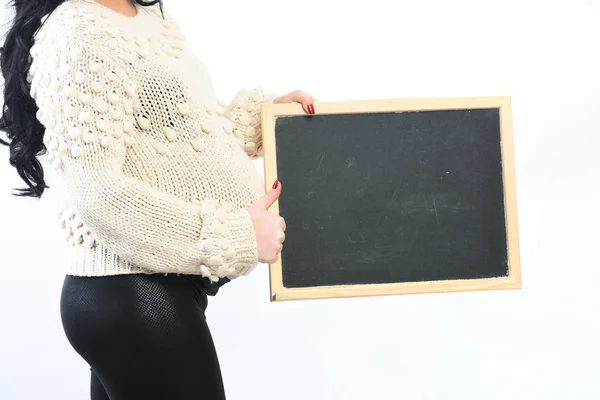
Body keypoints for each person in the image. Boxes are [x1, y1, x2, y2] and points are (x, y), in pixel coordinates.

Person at [0, 0, 316, 398]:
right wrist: (236, 237)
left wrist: (265, 121)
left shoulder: (142, 14)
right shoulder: (78, 35)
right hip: (131, 294)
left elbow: (176, 135)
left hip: (147, 294)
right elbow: (100, 194)